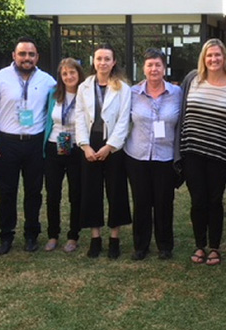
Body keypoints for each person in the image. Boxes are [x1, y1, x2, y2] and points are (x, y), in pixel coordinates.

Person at [0, 37, 56, 255]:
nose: (26, 58)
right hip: (7, 143)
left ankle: (32, 235)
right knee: (7, 191)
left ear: (37, 57)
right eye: (22, 54)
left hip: (35, 144)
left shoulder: (47, 80)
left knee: (34, 192)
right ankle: (6, 235)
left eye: (31, 54)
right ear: (14, 55)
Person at [174, 38, 226, 266]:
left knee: (214, 200)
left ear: (225, 58)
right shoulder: (192, 80)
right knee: (197, 200)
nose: (213, 59)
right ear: (203, 58)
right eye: (209, 55)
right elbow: (181, 114)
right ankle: (199, 245)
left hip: (220, 154)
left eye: (217, 55)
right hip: (192, 151)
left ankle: (214, 247)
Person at [74, 43, 132, 259]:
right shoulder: (84, 87)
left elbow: (124, 120)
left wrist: (110, 146)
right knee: (91, 190)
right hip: (90, 142)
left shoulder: (123, 88)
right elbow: (79, 117)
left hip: (113, 146)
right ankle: (95, 238)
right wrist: (84, 145)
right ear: (93, 61)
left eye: (107, 59)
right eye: (99, 58)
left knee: (116, 190)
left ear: (114, 62)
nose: (103, 63)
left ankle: (115, 238)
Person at [125, 48, 182, 261]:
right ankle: (141, 245)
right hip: (137, 156)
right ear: (144, 68)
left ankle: (165, 245)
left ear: (164, 68)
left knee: (164, 202)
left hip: (165, 157)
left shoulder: (177, 93)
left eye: (158, 65)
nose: (154, 69)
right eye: (149, 65)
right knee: (141, 201)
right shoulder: (132, 93)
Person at [42, 58, 86, 252]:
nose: (69, 76)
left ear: (79, 74)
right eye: (65, 73)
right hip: (54, 146)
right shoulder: (53, 94)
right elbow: (46, 117)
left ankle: (73, 236)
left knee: (76, 194)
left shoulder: (86, 94)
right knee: (52, 194)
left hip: (77, 148)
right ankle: (53, 234)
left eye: (72, 73)